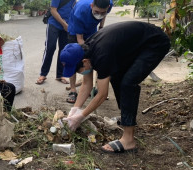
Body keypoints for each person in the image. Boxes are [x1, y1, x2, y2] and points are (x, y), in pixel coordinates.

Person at [60, 21, 170, 153]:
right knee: (117, 76)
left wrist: (81, 116)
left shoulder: (102, 54)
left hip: (155, 43)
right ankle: (126, 118)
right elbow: (86, 83)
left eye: (78, 70)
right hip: (136, 44)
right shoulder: (85, 51)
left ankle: (129, 140)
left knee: (128, 83)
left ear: (84, 61)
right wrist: (75, 109)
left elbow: (102, 95)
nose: (80, 73)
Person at [35, 0, 88, 85]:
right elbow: (53, 10)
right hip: (54, 24)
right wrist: (64, 24)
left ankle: (60, 75)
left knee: (64, 50)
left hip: (67, 25)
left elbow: (73, 6)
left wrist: (71, 24)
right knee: (50, 48)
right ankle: (43, 74)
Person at [66, 0, 113, 103]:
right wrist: (87, 53)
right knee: (74, 58)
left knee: (97, 57)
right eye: (97, 12)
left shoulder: (109, 3)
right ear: (92, 6)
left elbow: (103, 15)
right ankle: (73, 90)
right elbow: (80, 39)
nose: (99, 15)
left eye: (103, 12)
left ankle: (95, 89)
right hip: (75, 33)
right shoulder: (80, 11)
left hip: (92, 31)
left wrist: (101, 28)